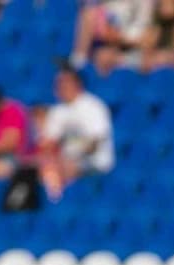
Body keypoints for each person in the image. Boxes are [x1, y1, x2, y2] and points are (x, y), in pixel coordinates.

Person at [39, 67, 116, 200]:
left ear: (77, 84)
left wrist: (67, 150)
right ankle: (51, 203)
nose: (60, 87)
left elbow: (94, 145)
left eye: (64, 82)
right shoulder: (57, 111)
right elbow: (49, 142)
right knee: (39, 168)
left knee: (62, 169)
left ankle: (63, 202)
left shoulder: (93, 107)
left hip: (94, 163)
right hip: (65, 160)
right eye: (58, 83)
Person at [73, 0, 159, 75]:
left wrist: (122, 38)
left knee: (153, 58)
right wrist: (115, 36)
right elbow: (106, 32)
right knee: (103, 56)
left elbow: (148, 37)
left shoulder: (146, 5)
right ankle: (79, 61)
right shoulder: (111, 6)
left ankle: (126, 62)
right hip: (113, 44)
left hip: (136, 48)